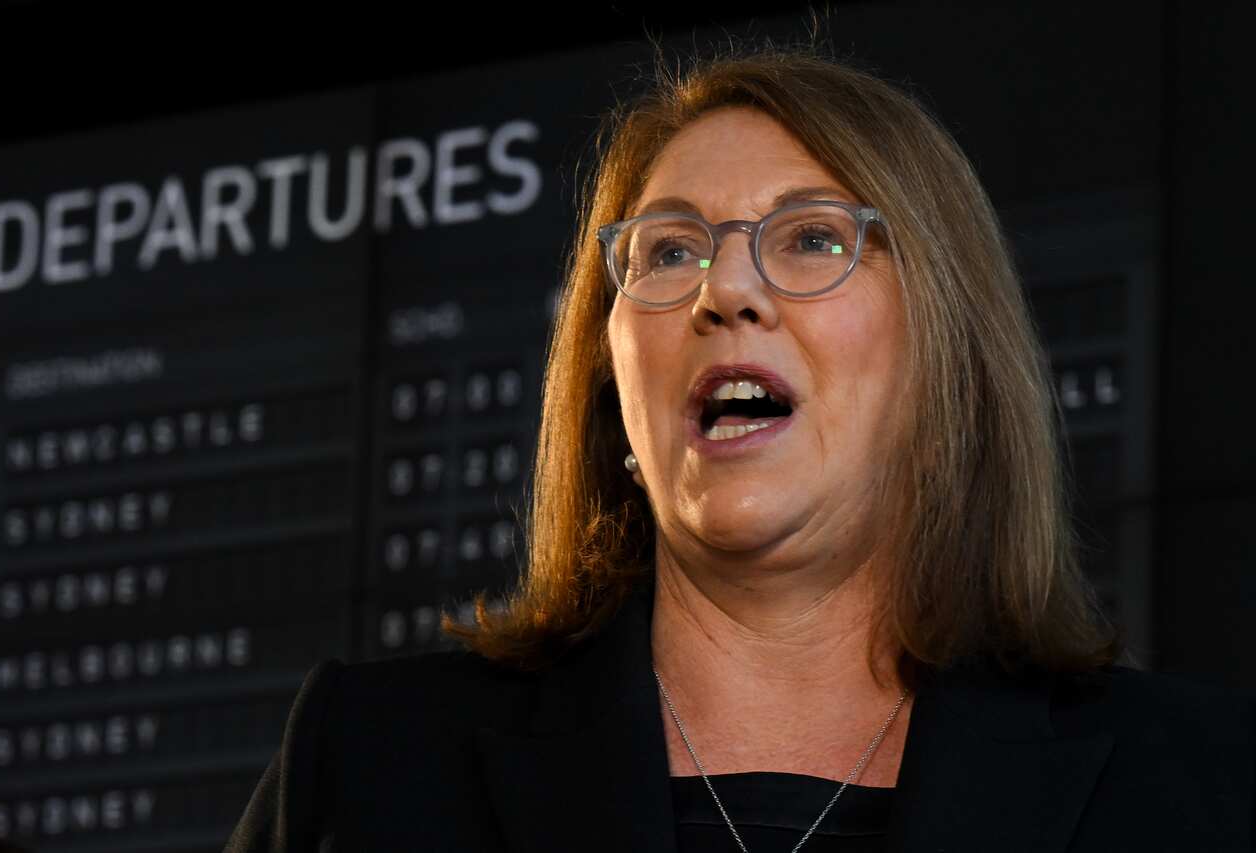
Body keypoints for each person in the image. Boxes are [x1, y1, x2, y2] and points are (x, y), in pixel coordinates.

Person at [223, 37, 1254, 853]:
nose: (724, 291)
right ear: (608, 379)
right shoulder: (366, 759)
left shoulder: (1204, 781)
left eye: (812, 237)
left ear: (947, 350)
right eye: (669, 250)